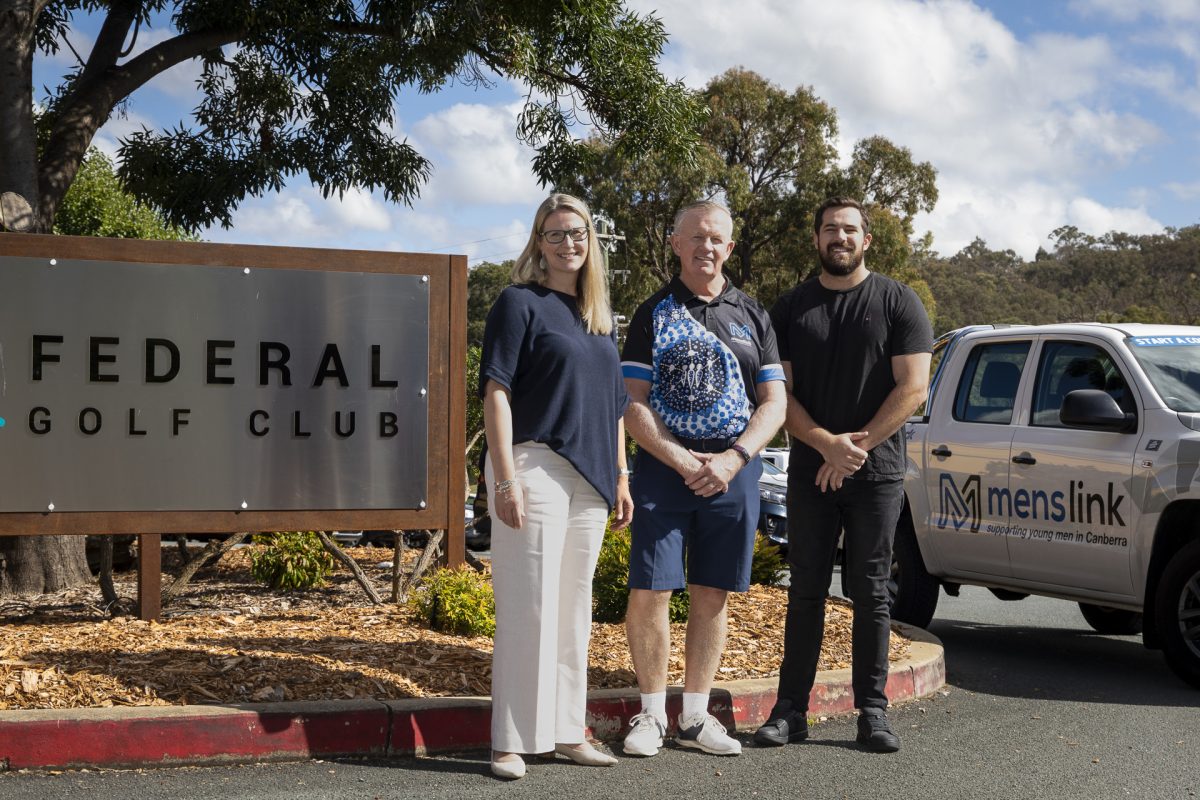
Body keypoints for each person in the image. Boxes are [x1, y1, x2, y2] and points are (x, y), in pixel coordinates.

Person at [755, 197, 932, 753]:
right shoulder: (790, 308)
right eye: (830, 228)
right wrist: (825, 445)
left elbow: (914, 387)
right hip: (811, 470)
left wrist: (856, 447)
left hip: (875, 475)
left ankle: (872, 713)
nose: (840, 237)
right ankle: (790, 712)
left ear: (866, 240)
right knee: (805, 589)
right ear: (817, 239)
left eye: (850, 229)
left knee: (871, 591)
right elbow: (778, 393)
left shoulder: (899, 302)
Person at [620, 201, 786, 757]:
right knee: (651, 589)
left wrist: (735, 459)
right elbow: (633, 403)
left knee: (712, 591)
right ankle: (650, 715)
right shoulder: (652, 312)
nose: (705, 247)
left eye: (715, 239)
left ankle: (694, 715)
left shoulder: (753, 315)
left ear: (729, 247)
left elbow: (775, 402)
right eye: (694, 238)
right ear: (675, 243)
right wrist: (686, 462)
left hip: (734, 470)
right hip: (667, 472)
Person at [480, 193, 635, 779]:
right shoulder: (519, 303)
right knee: (529, 607)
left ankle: (569, 730)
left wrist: (621, 475)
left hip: (592, 479)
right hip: (535, 464)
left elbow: (614, 406)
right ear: (538, 242)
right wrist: (505, 478)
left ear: (591, 241)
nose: (569, 243)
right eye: (556, 233)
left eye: (578, 233)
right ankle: (511, 741)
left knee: (573, 611)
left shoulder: (599, 317)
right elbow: (497, 391)